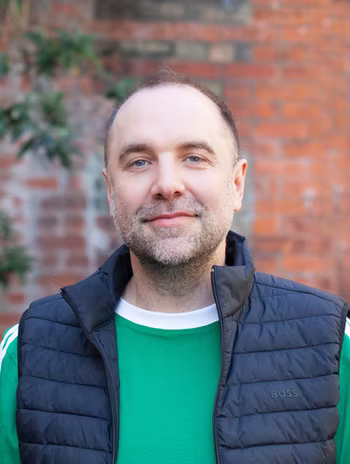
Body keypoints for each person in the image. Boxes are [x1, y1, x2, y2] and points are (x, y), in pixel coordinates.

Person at [0, 70, 349, 464]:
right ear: (111, 192)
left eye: (194, 158)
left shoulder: (329, 342)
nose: (167, 184)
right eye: (139, 161)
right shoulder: (31, 348)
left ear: (236, 184)